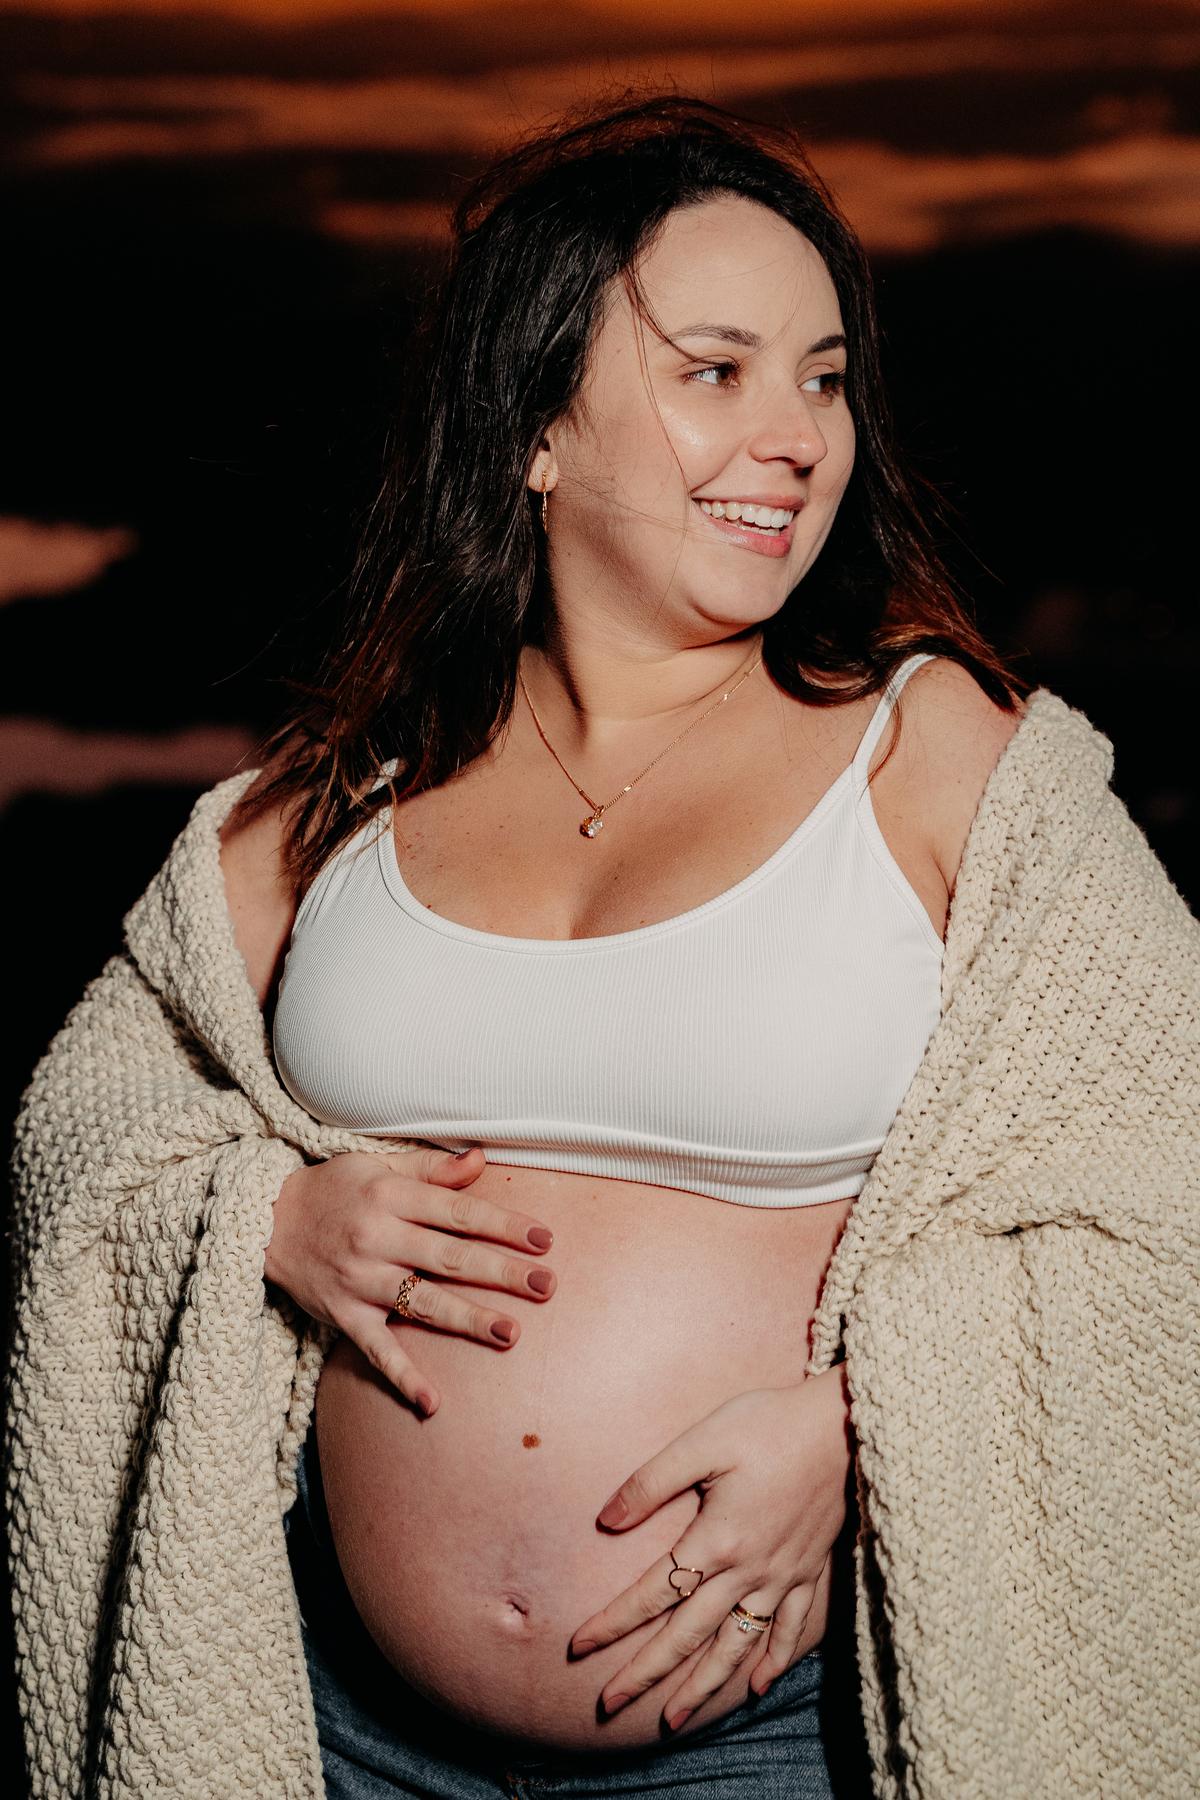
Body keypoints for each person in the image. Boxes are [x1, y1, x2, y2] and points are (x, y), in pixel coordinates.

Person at [9, 99, 1199, 1800]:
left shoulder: (939, 759)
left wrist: (867, 1428)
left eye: (825, 378)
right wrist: (259, 1212)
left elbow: (1171, 1182)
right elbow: (85, 1116)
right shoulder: (350, 793)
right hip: (329, 1727)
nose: (795, 436)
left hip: (769, 1738)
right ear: (534, 430)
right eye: (716, 371)